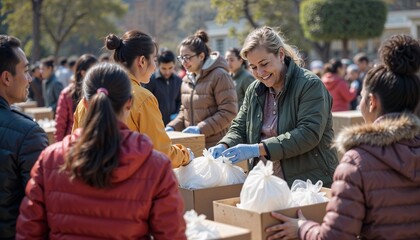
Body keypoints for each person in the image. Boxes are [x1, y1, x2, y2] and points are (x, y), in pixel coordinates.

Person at [266, 34, 420, 240]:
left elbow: (334, 237)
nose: (359, 103)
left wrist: (302, 228)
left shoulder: (357, 162)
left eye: (362, 97)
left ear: (372, 102)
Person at [16, 62, 187, 239]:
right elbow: (171, 233)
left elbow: (29, 230)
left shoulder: (50, 159)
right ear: (129, 103)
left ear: (84, 104)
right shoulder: (155, 165)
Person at [208, 26, 338, 187]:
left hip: (308, 182)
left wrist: (258, 149)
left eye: (264, 64)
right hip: (267, 183)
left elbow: (308, 134)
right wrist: (224, 144)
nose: (260, 72)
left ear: (281, 55)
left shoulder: (309, 85)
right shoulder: (254, 89)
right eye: (254, 67)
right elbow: (239, 127)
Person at [72, 30, 192, 168]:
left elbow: (75, 145)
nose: (154, 67)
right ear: (141, 61)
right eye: (154, 59)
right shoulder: (143, 98)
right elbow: (161, 153)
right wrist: (185, 155)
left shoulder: (86, 100)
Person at [0, 35, 48, 239]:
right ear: (6, 78)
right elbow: (39, 206)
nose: (30, 78)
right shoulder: (28, 133)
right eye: (26, 71)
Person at [166, 30, 238, 148]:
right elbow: (184, 111)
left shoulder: (219, 75)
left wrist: (200, 129)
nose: (184, 62)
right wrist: (172, 127)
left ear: (201, 56)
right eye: (181, 58)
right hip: (193, 145)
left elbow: (229, 112)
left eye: (187, 57)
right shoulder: (186, 79)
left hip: (217, 146)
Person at [54, 54, 98, 141]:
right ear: (83, 73)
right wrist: (61, 148)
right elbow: (60, 124)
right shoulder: (67, 93)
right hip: (73, 143)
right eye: (94, 71)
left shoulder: (100, 92)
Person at [143, 50, 182, 125]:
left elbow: (180, 101)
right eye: (164, 68)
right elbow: (146, 103)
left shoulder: (178, 81)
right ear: (158, 65)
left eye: (170, 68)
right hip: (155, 124)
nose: (167, 72)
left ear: (174, 65)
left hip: (173, 125)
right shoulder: (150, 80)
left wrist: (177, 115)